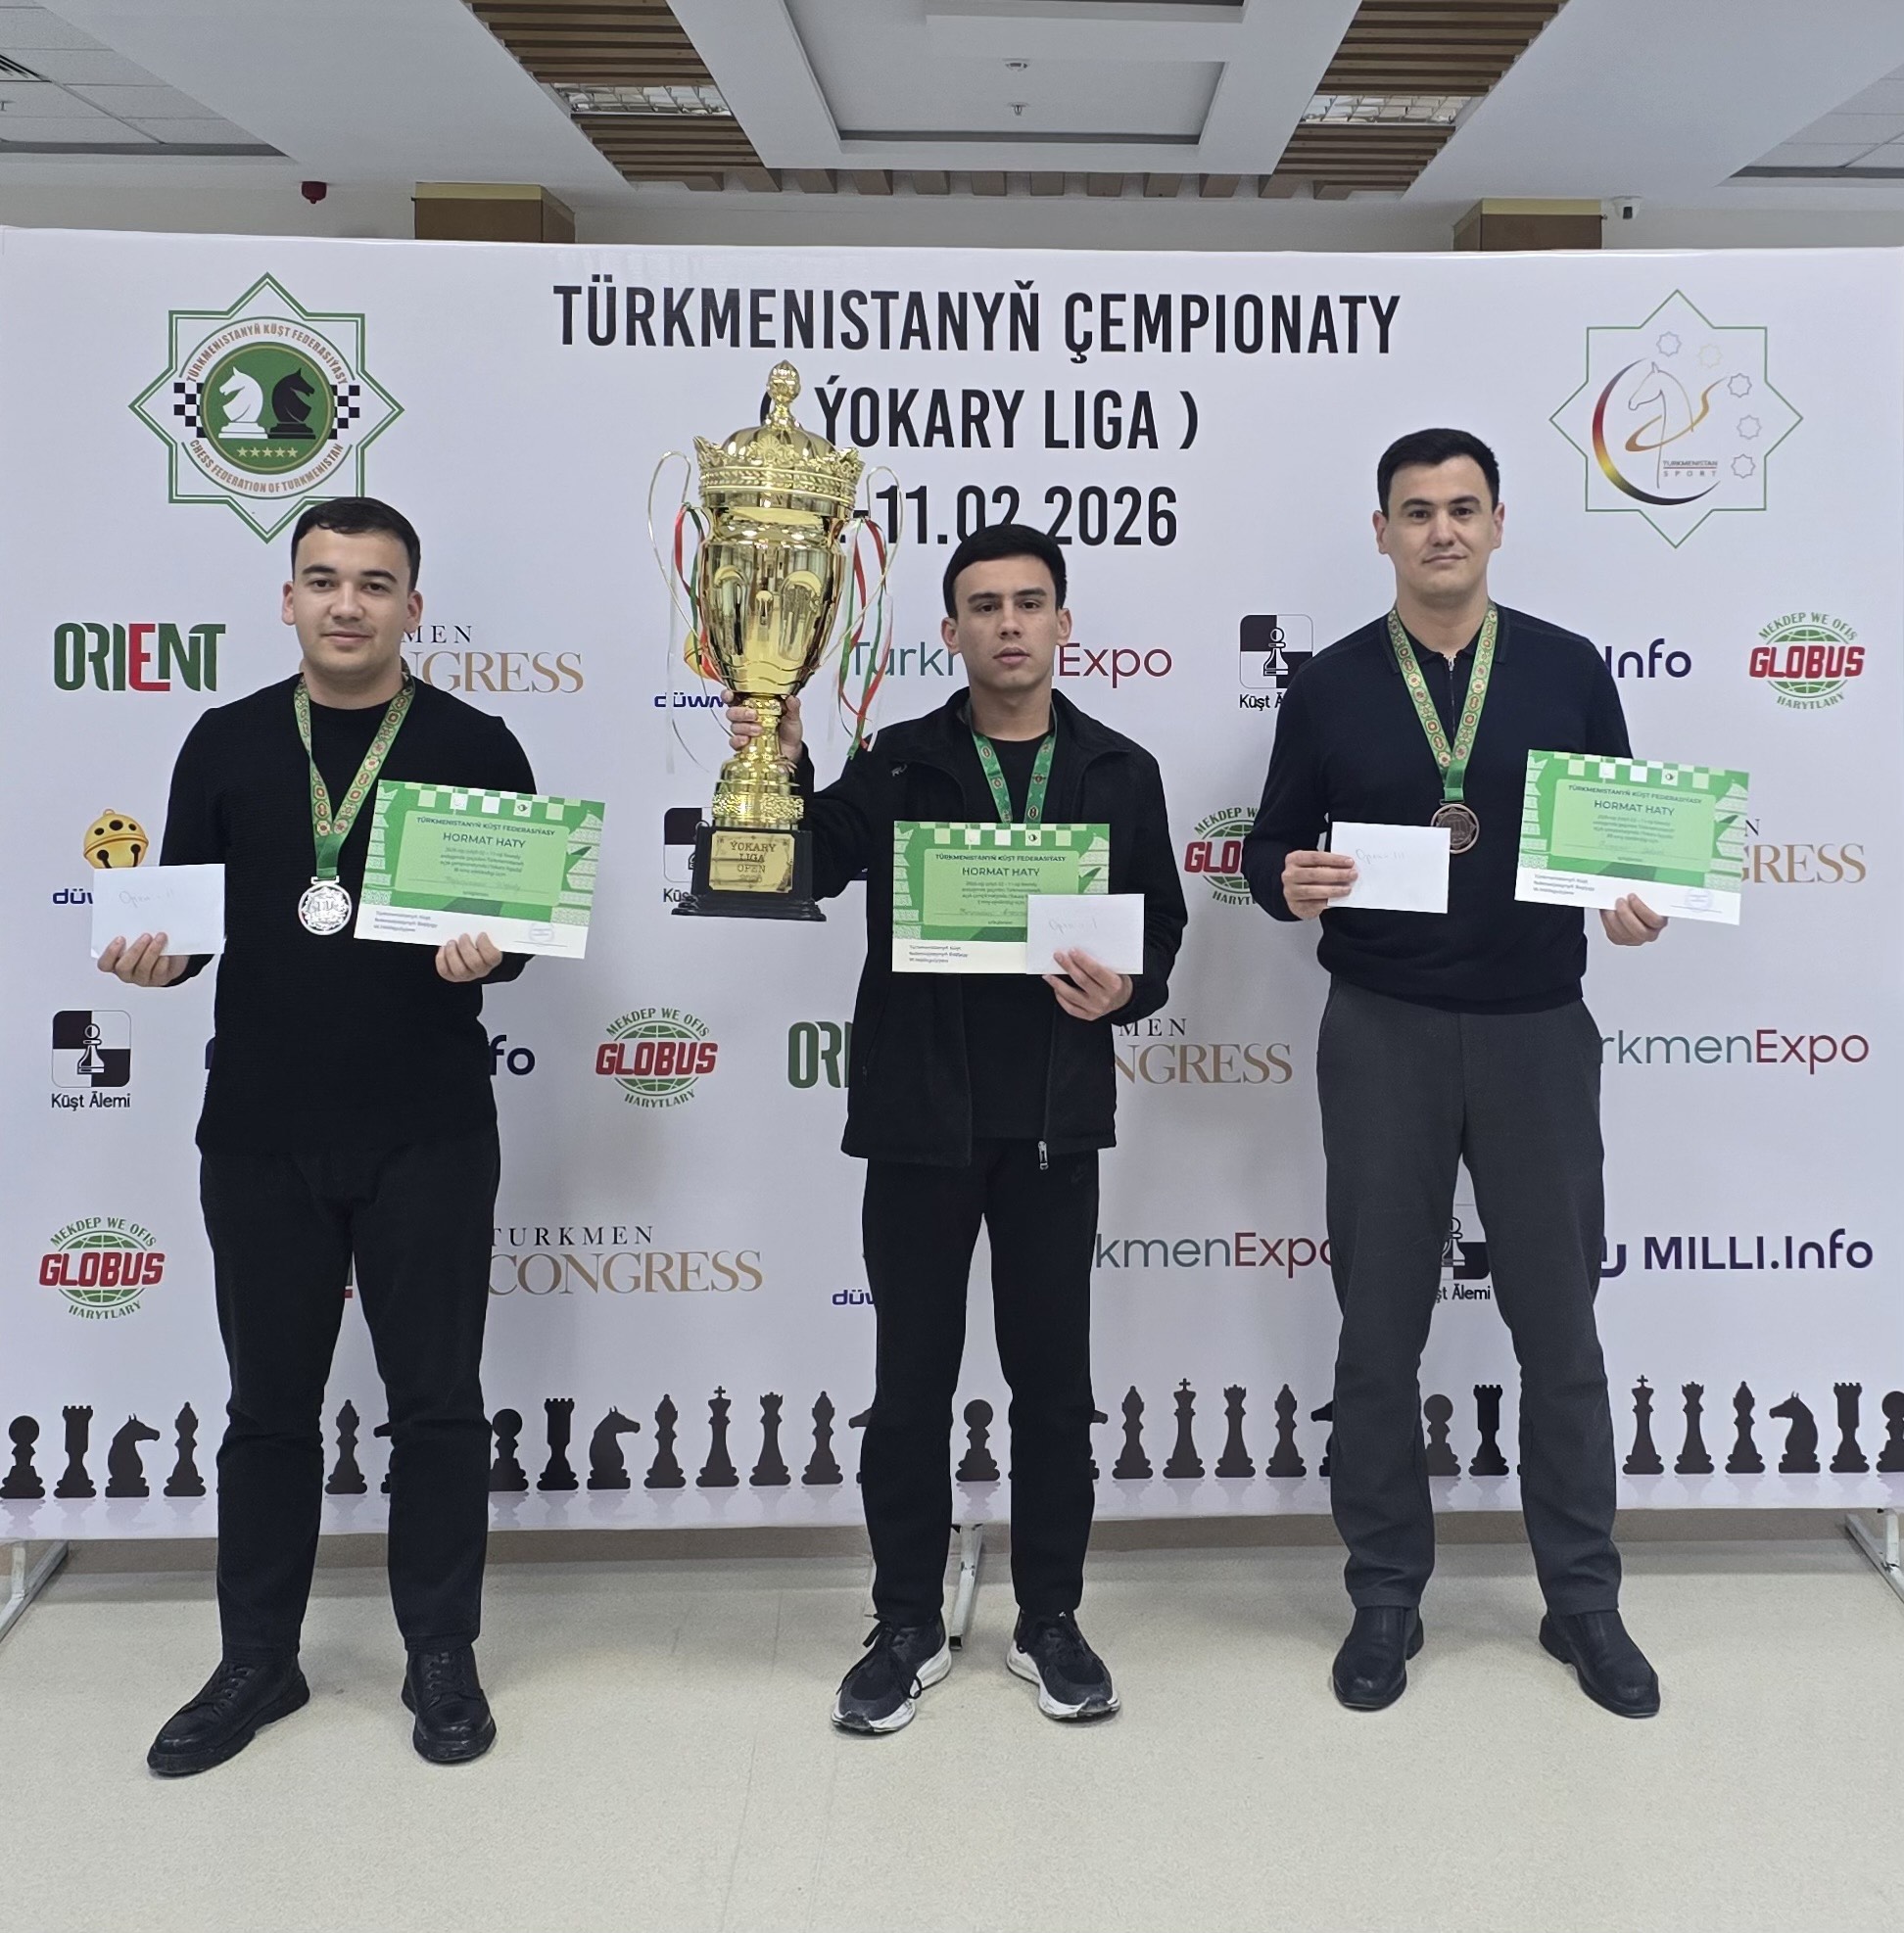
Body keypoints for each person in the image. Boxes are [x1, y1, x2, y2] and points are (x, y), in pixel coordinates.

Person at [99, 497, 535, 1774]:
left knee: (438, 1407)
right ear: (287, 599)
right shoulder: (226, 741)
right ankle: (257, 1658)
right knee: (268, 1412)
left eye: (375, 583)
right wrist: (155, 961)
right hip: (260, 1130)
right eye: (325, 579)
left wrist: (494, 950)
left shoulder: (475, 744)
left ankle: (440, 1653)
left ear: (413, 606)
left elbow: (514, 941)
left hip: (428, 1130)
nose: (349, 603)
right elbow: (188, 929)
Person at [729, 524, 1186, 1733]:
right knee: (910, 1385)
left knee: (1054, 1387)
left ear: (1063, 624)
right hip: (917, 1123)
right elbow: (813, 865)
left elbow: (1162, 930)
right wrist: (786, 766)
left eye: (1030, 603)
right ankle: (904, 1621)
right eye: (984, 606)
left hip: (1053, 1127)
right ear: (951, 631)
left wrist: (1126, 991)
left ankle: (1051, 1618)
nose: (1009, 624)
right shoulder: (898, 761)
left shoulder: (1118, 769)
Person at [1242, 429, 1666, 1720]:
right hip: (1384, 1028)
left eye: (1463, 508)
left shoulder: (1568, 668)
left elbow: (1626, 841)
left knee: (1562, 1330)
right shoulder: (1330, 685)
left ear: (1497, 525)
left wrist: (1634, 904)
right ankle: (1385, 1592)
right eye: (1417, 510)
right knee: (1378, 1330)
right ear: (1381, 532)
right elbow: (1268, 847)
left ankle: (1583, 1600)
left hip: (1538, 1027)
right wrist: (1285, 879)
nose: (1441, 530)